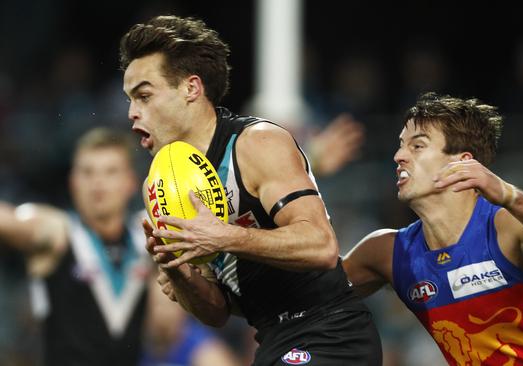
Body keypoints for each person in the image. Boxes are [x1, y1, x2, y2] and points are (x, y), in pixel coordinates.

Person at [119, 15, 381, 366]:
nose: (133, 113)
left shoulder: (256, 143)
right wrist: (180, 273)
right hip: (274, 342)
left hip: (331, 333)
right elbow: (217, 312)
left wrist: (222, 236)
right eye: (130, 100)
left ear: (191, 89)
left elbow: (321, 246)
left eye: (144, 96)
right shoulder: (160, 184)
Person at [342, 92, 523, 365]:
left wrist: (508, 194)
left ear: (461, 162)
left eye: (417, 146)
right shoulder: (388, 252)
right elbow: (310, 294)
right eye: (401, 145)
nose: (398, 156)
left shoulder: (505, 226)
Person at [0, 127, 152, 366]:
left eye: (110, 172)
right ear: (73, 182)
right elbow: (14, 222)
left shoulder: (145, 238)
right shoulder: (59, 232)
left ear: (131, 182)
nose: (97, 182)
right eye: (87, 172)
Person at [140, 279, 241, 366]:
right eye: (155, 305)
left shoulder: (202, 349)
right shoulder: (149, 342)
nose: (160, 313)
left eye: (166, 306)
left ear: (183, 309)